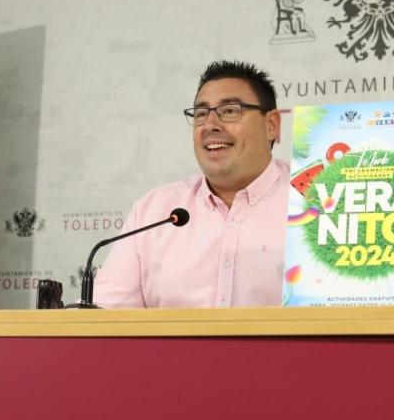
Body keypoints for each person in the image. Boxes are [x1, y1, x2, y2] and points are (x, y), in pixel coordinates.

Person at [93, 61, 289, 308]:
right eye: (201, 114)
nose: (210, 125)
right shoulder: (154, 211)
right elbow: (103, 314)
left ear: (271, 125)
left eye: (229, 111)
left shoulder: (319, 200)